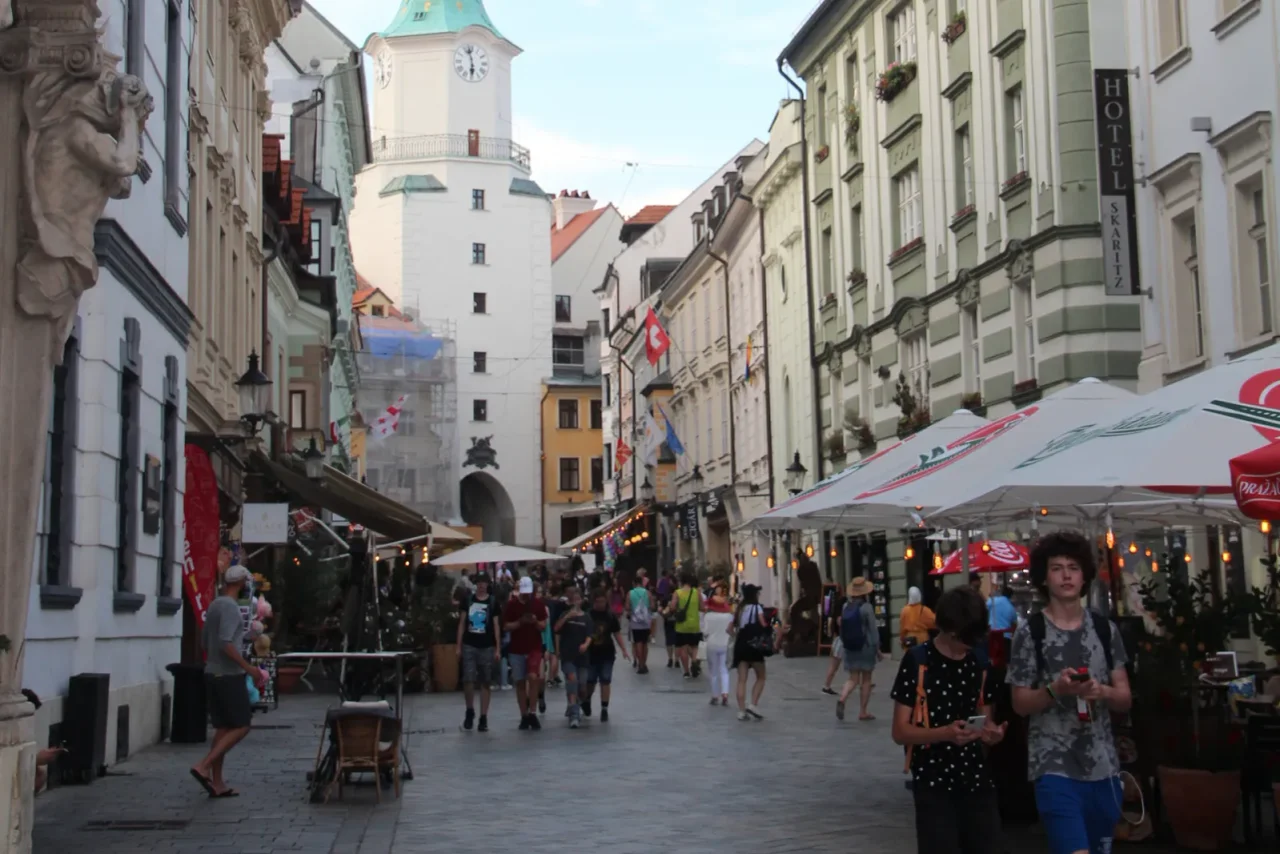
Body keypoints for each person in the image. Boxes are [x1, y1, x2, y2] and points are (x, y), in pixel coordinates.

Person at [1007, 531, 1131, 854]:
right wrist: (1054, 690)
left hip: (1103, 767)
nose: (1066, 575)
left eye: (1073, 567)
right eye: (1057, 568)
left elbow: (1125, 697)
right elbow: (1019, 703)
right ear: (1044, 578)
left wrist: (1101, 691)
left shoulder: (1106, 630)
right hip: (1053, 766)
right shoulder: (1030, 633)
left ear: (1084, 575)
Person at [890, 586, 1007, 854]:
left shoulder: (978, 661)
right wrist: (944, 733)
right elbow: (899, 731)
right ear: (946, 629)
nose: (965, 647)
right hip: (933, 782)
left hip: (976, 779)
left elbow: (985, 718)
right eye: (961, 639)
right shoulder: (918, 661)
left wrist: (991, 733)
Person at [191, 566, 267, 797]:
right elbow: (226, 642)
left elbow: (205, 642)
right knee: (242, 724)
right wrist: (249, 668)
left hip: (211, 672)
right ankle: (203, 766)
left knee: (223, 728)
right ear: (242, 583)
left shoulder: (214, 604)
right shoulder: (231, 608)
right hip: (228, 675)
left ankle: (217, 782)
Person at [502, 576, 549, 731]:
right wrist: (520, 622)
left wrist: (535, 621)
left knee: (533, 677)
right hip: (516, 648)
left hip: (533, 647)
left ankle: (533, 711)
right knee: (520, 682)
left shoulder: (538, 605)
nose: (526, 595)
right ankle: (524, 714)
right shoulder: (511, 606)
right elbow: (506, 626)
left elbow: (543, 626)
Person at [456, 572, 501, 732]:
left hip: (486, 645)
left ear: (488, 584)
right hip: (470, 643)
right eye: (479, 583)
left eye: (484, 583)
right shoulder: (468, 601)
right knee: (468, 679)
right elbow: (462, 623)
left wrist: (498, 648)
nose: (482, 585)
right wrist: (458, 646)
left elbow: (496, 625)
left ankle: (483, 716)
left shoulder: (493, 602)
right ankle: (470, 710)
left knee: (485, 681)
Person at [836, 577, 883, 722]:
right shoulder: (866, 607)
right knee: (867, 679)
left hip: (850, 647)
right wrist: (878, 649)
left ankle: (843, 698)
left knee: (853, 678)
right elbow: (873, 631)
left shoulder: (846, 607)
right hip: (866, 647)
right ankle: (863, 711)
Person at [583, 589, 629, 722]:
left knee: (605, 679)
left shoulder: (610, 616)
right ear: (594, 602)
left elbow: (617, 633)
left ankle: (604, 708)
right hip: (591, 654)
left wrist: (624, 649)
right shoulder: (588, 615)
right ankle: (586, 700)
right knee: (590, 680)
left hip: (607, 653)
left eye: (603, 601)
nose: (600, 604)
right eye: (598, 602)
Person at [730, 583, 772, 720]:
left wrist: (735, 636)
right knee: (761, 676)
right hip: (754, 646)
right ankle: (753, 704)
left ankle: (741, 711)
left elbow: (729, 628)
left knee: (742, 680)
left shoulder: (740, 609)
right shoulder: (757, 608)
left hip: (741, 645)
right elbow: (763, 623)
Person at [555, 587, 593, 728]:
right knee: (572, 679)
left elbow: (590, 634)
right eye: (574, 599)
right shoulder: (565, 614)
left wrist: (586, 644)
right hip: (568, 655)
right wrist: (566, 618)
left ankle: (577, 704)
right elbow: (556, 629)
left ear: (582, 601)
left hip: (582, 657)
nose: (576, 602)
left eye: (578, 599)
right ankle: (574, 713)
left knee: (582, 687)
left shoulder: (587, 617)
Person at [667, 571, 703, 678]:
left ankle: (686, 671)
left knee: (683, 648)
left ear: (681, 582)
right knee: (695, 646)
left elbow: (672, 607)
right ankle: (695, 661)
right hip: (694, 625)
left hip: (681, 626)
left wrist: (675, 608)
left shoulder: (677, 593)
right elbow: (702, 607)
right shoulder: (697, 592)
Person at [703, 582, 734, 706]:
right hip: (725, 644)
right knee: (724, 669)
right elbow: (732, 631)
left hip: (712, 644)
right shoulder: (729, 616)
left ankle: (715, 696)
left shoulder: (708, 616)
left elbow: (705, 632)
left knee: (714, 671)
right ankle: (725, 694)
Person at [626, 574, 655, 674]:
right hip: (646, 621)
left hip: (635, 621)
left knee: (638, 642)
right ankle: (644, 663)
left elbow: (627, 607)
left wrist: (631, 611)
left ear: (634, 583)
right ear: (642, 583)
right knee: (645, 643)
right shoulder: (648, 593)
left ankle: (640, 664)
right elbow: (652, 605)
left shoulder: (630, 593)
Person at [821, 589, 847, 695]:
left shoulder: (836, 615)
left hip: (838, 641)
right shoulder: (840, 617)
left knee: (834, 666)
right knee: (835, 666)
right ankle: (827, 685)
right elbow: (842, 626)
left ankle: (827, 685)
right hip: (841, 642)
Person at [899, 586, 937, 650]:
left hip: (910, 638)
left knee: (911, 657)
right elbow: (934, 622)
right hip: (923, 638)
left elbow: (902, 627)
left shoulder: (904, 610)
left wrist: (902, 639)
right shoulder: (925, 610)